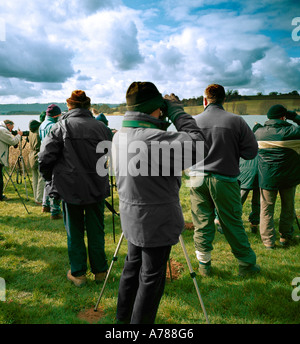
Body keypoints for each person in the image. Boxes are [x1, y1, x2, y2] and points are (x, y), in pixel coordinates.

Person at [112, 81, 207, 324]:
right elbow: (198, 144)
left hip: (131, 215)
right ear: (156, 108)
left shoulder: (120, 135)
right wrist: (176, 110)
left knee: (131, 268)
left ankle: (122, 320)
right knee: (151, 277)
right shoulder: (154, 137)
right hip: (156, 220)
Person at [39, 90, 112, 287]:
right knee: (97, 231)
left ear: (69, 105)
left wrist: (50, 179)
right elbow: (109, 154)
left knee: (75, 232)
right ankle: (100, 272)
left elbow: (44, 157)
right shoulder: (101, 127)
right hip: (96, 187)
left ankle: (79, 274)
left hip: (70, 189)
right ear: (87, 106)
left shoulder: (61, 126)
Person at [189, 84, 260, 277]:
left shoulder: (192, 121)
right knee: (232, 222)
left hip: (197, 178)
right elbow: (251, 152)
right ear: (224, 100)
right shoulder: (236, 121)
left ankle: (204, 266)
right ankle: (246, 265)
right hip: (224, 178)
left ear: (205, 100)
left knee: (202, 223)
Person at [254, 104, 300, 249]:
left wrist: (257, 128)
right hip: (289, 178)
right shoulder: (293, 132)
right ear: (283, 117)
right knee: (288, 207)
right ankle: (285, 237)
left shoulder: (259, 133)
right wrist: (294, 116)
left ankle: (268, 242)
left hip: (267, 178)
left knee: (266, 209)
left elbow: (254, 133)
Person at [39, 104, 62, 219]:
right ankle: (55, 210)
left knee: (47, 182)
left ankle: (45, 205)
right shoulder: (53, 125)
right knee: (55, 184)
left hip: (44, 155)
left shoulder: (42, 124)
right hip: (53, 156)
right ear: (56, 115)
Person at [0, 120, 23, 201]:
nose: (10, 131)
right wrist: (19, 135)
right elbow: (13, 141)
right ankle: (0, 196)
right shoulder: (2, 130)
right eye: (10, 129)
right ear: (8, 125)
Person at [28, 120, 45, 205]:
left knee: (34, 178)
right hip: (38, 154)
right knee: (41, 178)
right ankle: (39, 198)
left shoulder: (30, 132)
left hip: (31, 155)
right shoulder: (39, 131)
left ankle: (36, 197)